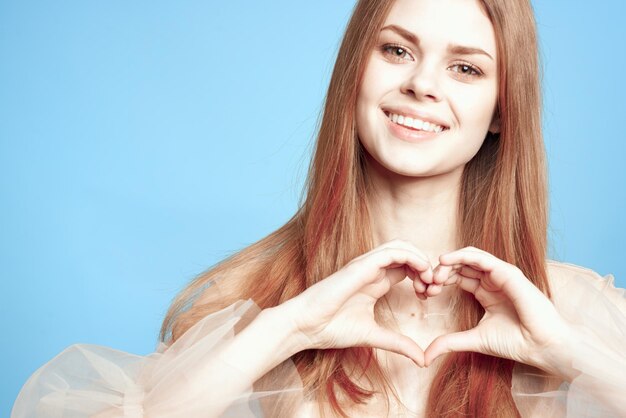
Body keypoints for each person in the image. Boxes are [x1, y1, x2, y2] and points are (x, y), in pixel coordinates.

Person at [11, 0, 626, 417]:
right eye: (396, 50)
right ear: (354, 72)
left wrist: (572, 357)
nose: (423, 85)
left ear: (501, 112)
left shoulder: (577, 313)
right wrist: (288, 329)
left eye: (465, 67)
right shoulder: (248, 300)